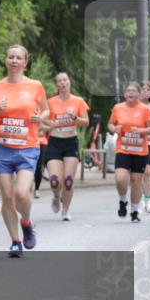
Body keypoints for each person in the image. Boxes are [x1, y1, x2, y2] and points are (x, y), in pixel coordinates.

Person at [0, 45, 48, 258]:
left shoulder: (35, 86)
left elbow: (46, 110)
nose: (14, 60)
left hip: (27, 148)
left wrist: (42, 118)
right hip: (1, 149)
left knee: (22, 193)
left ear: (25, 63)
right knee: (8, 197)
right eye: (10, 57)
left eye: (18, 58)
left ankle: (26, 223)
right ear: (6, 60)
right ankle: (15, 241)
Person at [43, 72, 90, 221]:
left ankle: (66, 210)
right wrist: (50, 124)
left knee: (68, 180)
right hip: (55, 142)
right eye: (59, 81)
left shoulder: (78, 101)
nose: (63, 83)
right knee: (55, 180)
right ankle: (57, 196)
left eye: (65, 80)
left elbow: (86, 122)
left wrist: (74, 118)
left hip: (71, 142)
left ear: (69, 82)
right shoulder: (50, 102)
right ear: (57, 85)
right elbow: (42, 123)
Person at [108, 81, 150, 222]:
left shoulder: (145, 109)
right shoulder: (118, 108)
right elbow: (110, 124)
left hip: (140, 151)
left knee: (135, 180)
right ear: (125, 94)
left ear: (139, 94)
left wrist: (140, 131)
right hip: (123, 149)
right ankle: (123, 200)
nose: (131, 93)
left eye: (134, 91)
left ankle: (134, 210)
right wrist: (114, 129)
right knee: (120, 178)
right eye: (128, 91)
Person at [141, 80, 150, 213]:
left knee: (148, 172)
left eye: (148, 90)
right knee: (137, 173)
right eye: (142, 89)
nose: (145, 92)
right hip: (135, 143)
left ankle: (148, 201)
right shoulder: (133, 106)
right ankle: (137, 200)